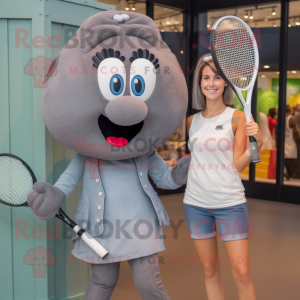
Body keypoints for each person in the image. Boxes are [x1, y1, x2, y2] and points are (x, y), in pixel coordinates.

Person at [183, 54, 263, 300]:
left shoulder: (237, 117)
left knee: (241, 272)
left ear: (226, 82)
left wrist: (257, 144)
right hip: (195, 204)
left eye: (217, 77)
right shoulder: (190, 121)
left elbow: (237, 164)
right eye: (206, 78)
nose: (211, 83)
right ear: (199, 83)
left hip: (229, 203)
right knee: (209, 270)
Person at [284, 105, 297, 180]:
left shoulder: (281, 119)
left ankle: (287, 173)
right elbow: (296, 129)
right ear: (290, 110)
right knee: (292, 158)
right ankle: (290, 173)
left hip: (284, 141)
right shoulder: (291, 119)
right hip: (290, 140)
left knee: (285, 158)